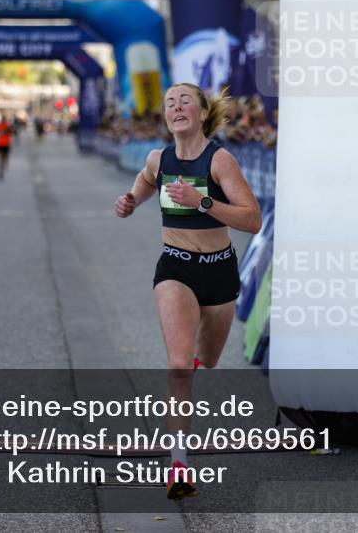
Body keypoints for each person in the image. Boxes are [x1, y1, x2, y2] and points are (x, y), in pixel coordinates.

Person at [114, 83, 262, 500]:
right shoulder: (158, 158)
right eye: (169, 102)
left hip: (218, 273)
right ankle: (178, 464)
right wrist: (131, 200)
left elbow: (252, 220)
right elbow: (145, 180)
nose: (176, 107)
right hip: (175, 268)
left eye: (185, 102)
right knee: (179, 366)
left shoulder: (221, 161)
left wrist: (202, 203)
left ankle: (196, 360)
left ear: (200, 114)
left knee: (208, 361)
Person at [0, 115, 12, 181]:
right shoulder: (7, 125)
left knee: (1, 157)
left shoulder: (5, 125)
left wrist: (1, 132)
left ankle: (1, 167)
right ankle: (2, 167)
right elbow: (11, 133)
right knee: (3, 157)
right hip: (4, 144)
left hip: (1, 143)